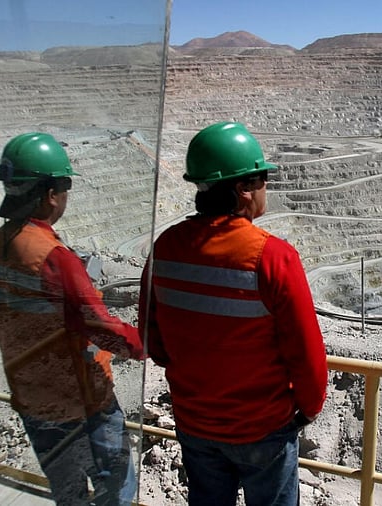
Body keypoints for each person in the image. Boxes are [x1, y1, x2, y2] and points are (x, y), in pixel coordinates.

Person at [139, 122, 328, 506]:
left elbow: (153, 341)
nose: (265, 190)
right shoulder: (273, 257)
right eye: (261, 180)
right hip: (263, 429)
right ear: (242, 189)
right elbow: (306, 354)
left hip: (194, 424)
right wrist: (307, 409)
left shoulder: (166, 246)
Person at [0, 132, 144, 506]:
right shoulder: (54, 257)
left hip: (32, 396)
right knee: (114, 486)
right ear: (51, 193)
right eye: (65, 185)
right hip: (82, 403)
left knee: (67, 490)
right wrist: (148, 343)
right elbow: (101, 328)